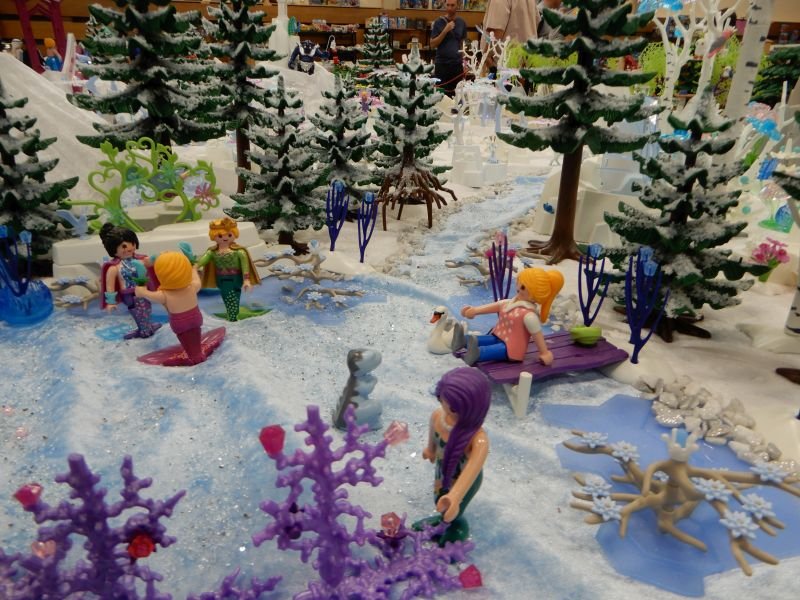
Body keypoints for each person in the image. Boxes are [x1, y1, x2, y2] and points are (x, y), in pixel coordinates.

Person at [419, 367, 490, 545]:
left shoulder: (478, 439)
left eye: (451, 406)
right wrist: (430, 450)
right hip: (442, 469)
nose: (444, 406)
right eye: (441, 399)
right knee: (439, 499)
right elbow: (433, 436)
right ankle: (442, 520)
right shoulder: (438, 416)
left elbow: (472, 470)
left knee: (454, 510)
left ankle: (457, 527)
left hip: (465, 479)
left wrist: (455, 496)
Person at [457, 267, 564, 366]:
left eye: (523, 286)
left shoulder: (529, 316)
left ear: (535, 293)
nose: (518, 287)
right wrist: (475, 310)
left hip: (512, 348)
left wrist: (544, 353)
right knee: (483, 340)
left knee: (494, 349)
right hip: (498, 336)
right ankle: (463, 341)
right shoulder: (509, 303)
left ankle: (477, 353)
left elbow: (537, 336)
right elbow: (495, 306)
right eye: (519, 282)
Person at [135, 252, 206, 365]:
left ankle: (193, 356)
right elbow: (195, 276)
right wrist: (193, 268)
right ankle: (197, 352)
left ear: (162, 275)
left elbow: (146, 294)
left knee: (185, 338)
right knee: (195, 334)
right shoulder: (193, 286)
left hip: (180, 323)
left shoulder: (164, 295)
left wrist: (141, 289)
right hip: (196, 318)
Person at [99, 223, 161, 340]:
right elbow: (109, 285)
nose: (129, 248)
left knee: (146, 307)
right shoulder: (114, 267)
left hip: (144, 290)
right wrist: (111, 301)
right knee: (137, 310)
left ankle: (146, 326)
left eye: (132, 243)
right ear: (113, 249)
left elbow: (150, 262)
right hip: (129, 294)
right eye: (124, 246)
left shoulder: (140, 259)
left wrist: (159, 258)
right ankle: (144, 329)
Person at [195, 218, 260, 322]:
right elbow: (204, 259)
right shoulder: (212, 252)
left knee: (231, 295)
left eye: (229, 235)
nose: (225, 238)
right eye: (220, 236)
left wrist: (246, 280)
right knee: (227, 295)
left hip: (235, 278)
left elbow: (245, 266)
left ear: (234, 234)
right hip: (221, 279)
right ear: (213, 236)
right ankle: (233, 313)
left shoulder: (239, 252)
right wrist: (196, 266)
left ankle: (232, 316)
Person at [430, 0, 467, 97]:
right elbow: (432, 44)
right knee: (440, 96)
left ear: (458, 5)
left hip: (457, 66)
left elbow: (462, 44)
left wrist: (464, 62)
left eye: (452, 5)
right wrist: (445, 30)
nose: (450, 8)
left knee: (457, 96)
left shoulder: (462, 22)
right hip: (442, 65)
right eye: (448, 5)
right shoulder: (438, 22)